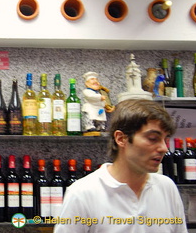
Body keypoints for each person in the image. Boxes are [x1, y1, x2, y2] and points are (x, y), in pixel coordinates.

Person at [54, 99, 187, 233]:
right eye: (153, 138)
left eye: (166, 139)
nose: (164, 148)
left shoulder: (167, 188)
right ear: (121, 139)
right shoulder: (82, 194)